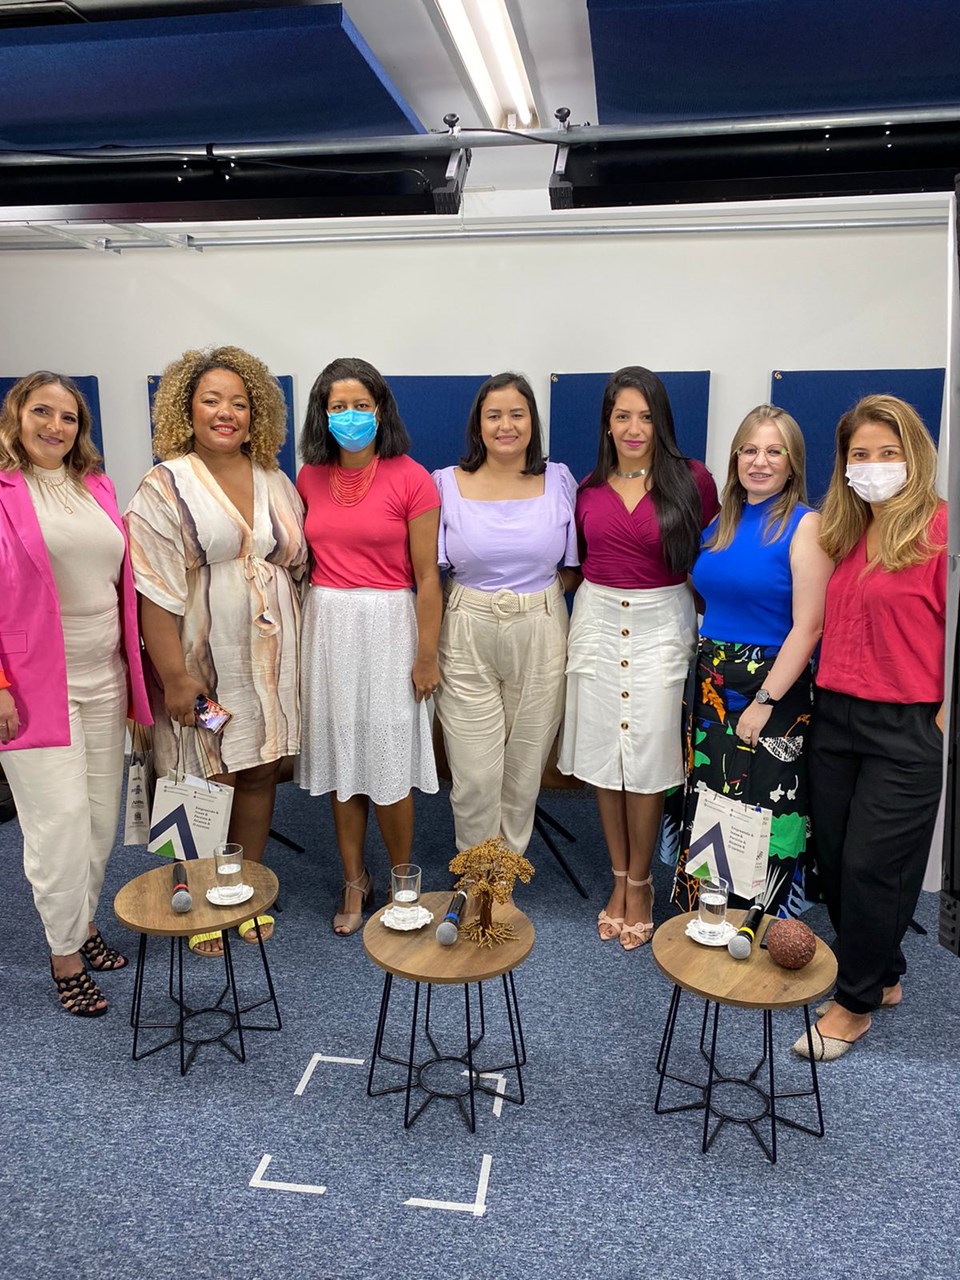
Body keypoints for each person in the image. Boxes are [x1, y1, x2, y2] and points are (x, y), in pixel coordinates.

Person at [125, 346, 306, 957]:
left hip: (269, 668)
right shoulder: (165, 483)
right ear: (188, 409)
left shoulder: (275, 480)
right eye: (211, 400)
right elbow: (152, 588)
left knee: (258, 771)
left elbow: (296, 568)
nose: (226, 412)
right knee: (206, 773)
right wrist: (175, 676)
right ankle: (201, 899)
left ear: (256, 414)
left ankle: (243, 891)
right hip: (202, 666)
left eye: (239, 402)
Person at [795, 394, 947, 1061]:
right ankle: (883, 976)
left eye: (889, 452)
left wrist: (941, 722)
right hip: (836, 716)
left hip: (907, 724)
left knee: (871, 866)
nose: (875, 464)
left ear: (915, 456)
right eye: (861, 454)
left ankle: (852, 1005)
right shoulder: (846, 530)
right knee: (833, 861)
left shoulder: (943, 532)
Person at [0, 371, 151, 1016]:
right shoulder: (3, 491)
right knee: (56, 824)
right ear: (16, 416)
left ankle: (82, 922)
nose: (55, 426)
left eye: (68, 417)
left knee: (96, 818)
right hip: (33, 685)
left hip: (104, 676)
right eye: (42, 412)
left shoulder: (96, 485)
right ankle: (64, 955)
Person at [559, 366, 719, 949]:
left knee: (648, 759)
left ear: (662, 421)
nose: (634, 428)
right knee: (606, 759)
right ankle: (619, 877)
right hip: (598, 621)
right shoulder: (586, 489)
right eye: (622, 415)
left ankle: (643, 882)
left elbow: (712, 562)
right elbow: (572, 566)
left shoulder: (693, 480)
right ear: (607, 422)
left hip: (661, 625)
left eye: (646, 416)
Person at [297, 357, 441, 935]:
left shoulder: (413, 477)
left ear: (380, 410)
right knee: (343, 758)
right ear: (323, 413)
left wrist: (426, 655)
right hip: (329, 624)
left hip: (390, 626)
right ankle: (354, 879)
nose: (350, 416)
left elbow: (428, 577)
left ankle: (403, 880)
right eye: (338, 406)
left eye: (361, 405)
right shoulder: (308, 476)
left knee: (389, 761)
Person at [672, 406, 834, 914]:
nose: (759, 461)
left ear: (793, 462)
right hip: (711, 681)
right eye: (750, 450)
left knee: (765, 806)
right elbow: (709, 594)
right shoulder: (721, 522)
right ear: (736, 457)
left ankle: (757, 922)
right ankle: (708, 914)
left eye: (773, 451)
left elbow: (809, 626)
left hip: (771, 685)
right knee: (711, 799)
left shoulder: (806, 526)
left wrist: (764, 700)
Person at [432, 372, 579, 857]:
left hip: (540, 629)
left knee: (523, 770)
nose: (506, 425)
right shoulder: (445, 484)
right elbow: (428, 572)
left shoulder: (559, 481)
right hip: (466, 629)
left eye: (517, 414)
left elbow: (575, 568)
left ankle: (502, 880)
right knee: (475, 776)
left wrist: (532, 605)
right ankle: (477, 877)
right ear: (478, 425)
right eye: (493, 415)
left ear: (532, 422)